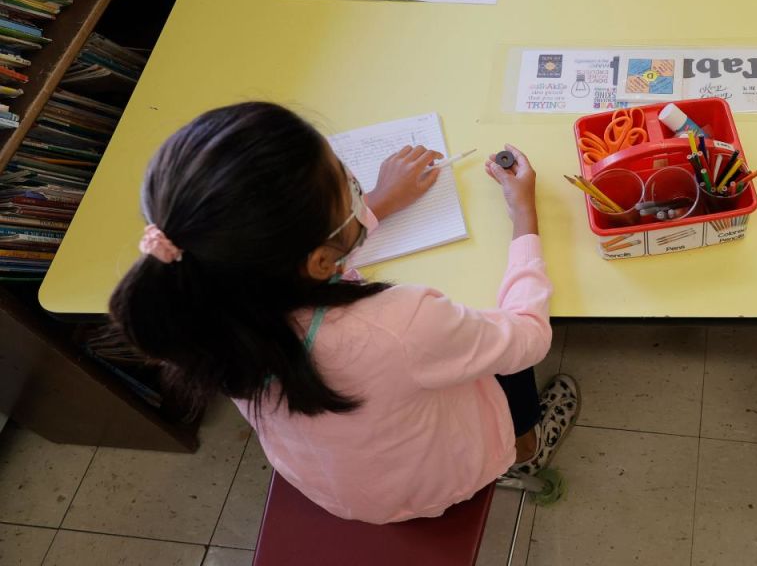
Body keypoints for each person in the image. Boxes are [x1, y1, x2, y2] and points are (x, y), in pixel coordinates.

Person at [108, 102, 578, 523]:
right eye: (346, 180)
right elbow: (530, 336)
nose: (356, 184)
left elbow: (296, 265)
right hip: (432, 485)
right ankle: (524, 451)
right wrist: (523, 218)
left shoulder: (212, 302)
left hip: (338, 487)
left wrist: (374, 204)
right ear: (315, 260)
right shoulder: (403, 322)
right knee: (504, 350)